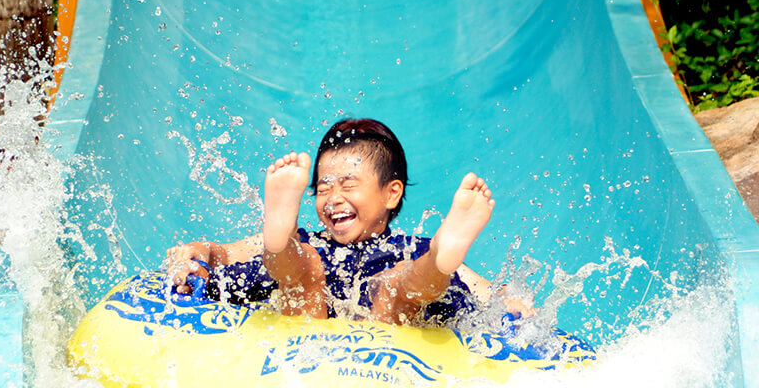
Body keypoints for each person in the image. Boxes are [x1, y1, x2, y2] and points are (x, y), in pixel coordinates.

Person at [165, 117, 527, 326]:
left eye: (348, 184)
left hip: (390, 339)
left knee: (399, 284)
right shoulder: (311, 243)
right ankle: (278, 234)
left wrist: (512, 302)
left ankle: (442, 255)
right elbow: (220, 254)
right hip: (305, 333)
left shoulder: (408, 251)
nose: (333, 197)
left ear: (391, 193)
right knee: (302, 269)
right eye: (323, 187)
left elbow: (489, 294)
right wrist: (195, 253)